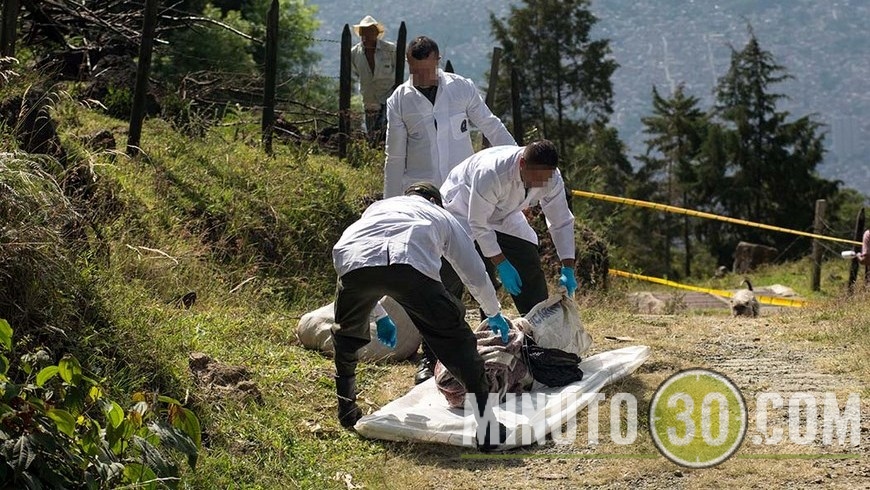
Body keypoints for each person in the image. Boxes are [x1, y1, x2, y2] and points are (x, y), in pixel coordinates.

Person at [330, 182, 511, 451]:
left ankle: (346, 409)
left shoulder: (376, 209)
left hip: (354, 264)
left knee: (345, 335)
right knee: (456, 340)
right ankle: (487, 426)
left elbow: (361, 264)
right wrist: (493, 311)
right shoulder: (440, 215)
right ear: (434, 200)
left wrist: (378, 316)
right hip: (410, 265)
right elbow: (472, 270)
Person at [440, 139, 578, 319]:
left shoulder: (551, 177)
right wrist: (502, 264)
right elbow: (478, 224)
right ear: (522, 164)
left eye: (544, 180)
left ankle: (535, 326)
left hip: (505, 211)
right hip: (462, 209)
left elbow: (561, 220)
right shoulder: (491, 172)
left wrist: (568, 267)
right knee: (456, 267)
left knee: (526, 255)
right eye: (535, 178)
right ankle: (444, 326)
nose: (539, 185)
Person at [383, 35, 516, 199]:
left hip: (463, 189)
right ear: (408, 62)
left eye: (427, 71)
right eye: (416, 71)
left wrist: (517, 165)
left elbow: (491, 126)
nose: (422, 77)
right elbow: (395, 157)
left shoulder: (461, 88)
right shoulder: (398, 101)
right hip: (421, 193)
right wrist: (390, 203)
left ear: (438, 61)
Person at [350, 15, 396, 145]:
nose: (365, 35)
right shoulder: (354, 53)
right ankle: (373, 156)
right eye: (363, 32)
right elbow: (356, 72)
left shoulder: (390, 49)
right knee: (372, 133)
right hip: (369, 97)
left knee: (388, 131)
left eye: (369, 31)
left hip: (389, 95)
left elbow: (399, 69)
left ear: (376, 33)